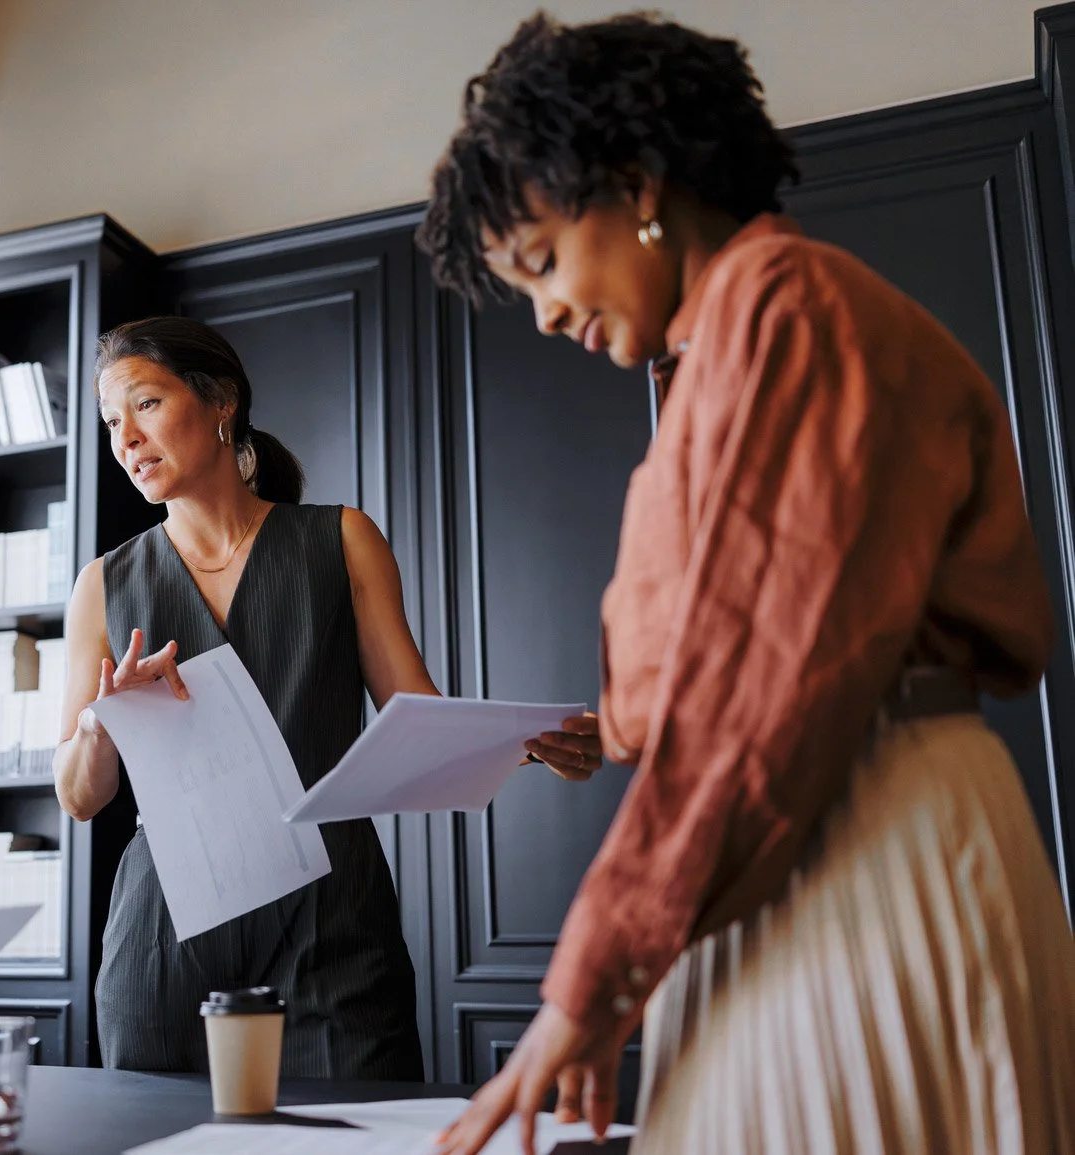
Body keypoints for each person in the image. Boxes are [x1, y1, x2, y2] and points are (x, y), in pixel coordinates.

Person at [418, 13, 1075, 1155]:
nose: (545, 312)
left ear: (634, 185)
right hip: (771, 844)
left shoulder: (787, 309)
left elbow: (757, 695)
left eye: (539, 263)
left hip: (855, 840)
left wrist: (584, 988)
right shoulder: (727, 342)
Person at [52, 315, 604, 1080]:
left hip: (333, 917)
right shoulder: (101, 584)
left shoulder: (341, 539)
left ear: (221, 402)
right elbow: (80, 798)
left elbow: (420, 718)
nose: (125, 439)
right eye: (112, 421)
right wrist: (97, 722)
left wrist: (535, 743)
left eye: (144, 405)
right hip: (164, 926)